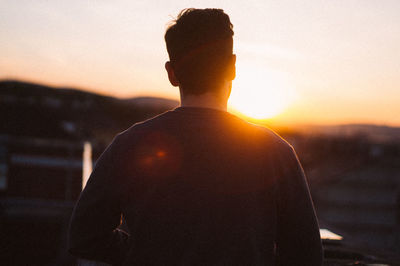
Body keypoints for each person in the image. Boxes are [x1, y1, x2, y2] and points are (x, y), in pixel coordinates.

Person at [68, 8, 323, 266]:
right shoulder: (275, 152)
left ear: (172, 73)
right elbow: (307, 256)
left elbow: (84, 237)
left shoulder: (129, 145)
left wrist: (141, 253)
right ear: (232, 67)